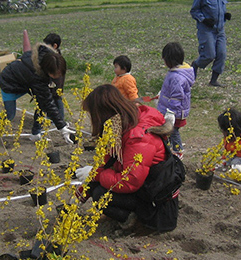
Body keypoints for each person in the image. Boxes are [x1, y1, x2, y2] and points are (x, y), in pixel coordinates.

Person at [75, 84, 182, 232]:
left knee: (101, 195)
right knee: (98, 186)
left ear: (103, 113)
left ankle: (136, 221)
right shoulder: (124, 122)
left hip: (157, 205)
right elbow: (108, 162)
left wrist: (96, 175)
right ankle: (124, 213)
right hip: (145, 187)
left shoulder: (138, 137)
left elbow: (130, 181)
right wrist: (80, 195)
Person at [0, 42, 72, 144]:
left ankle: (35, 134)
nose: (57, 77)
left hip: (26, 81)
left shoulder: (51, 58)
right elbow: (48, 102)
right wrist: (62, 127)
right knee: (9, 114)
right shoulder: (37, 75)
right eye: (54, 75)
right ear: (47, 70)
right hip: (10, 82)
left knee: (41, 105)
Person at [190, 0, 232, 88]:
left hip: (220, 30)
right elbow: (194, 11)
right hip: (206, 30)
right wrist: (204, 20)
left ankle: (214, 80)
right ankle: (196, 65)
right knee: (209, 55)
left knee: (222, 54)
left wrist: (225, 15)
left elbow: (220, 8)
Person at [156, 42, 195, 158]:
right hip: (173, 109)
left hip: (175, 112)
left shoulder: (176, 77)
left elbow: (176, 97)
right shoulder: (179, 72)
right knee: (169, 131)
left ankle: (178, 150)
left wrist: (171, 113)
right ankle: (169, 148)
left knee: (172, 131)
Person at [43, 33, 65, 121]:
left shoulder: (56, 58)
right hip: (51, 83)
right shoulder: (51, 55)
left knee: (57, 98)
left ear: (54, 45)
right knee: (51, 99)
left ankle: (60, 118)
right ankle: (52, 117)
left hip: (56, 83)